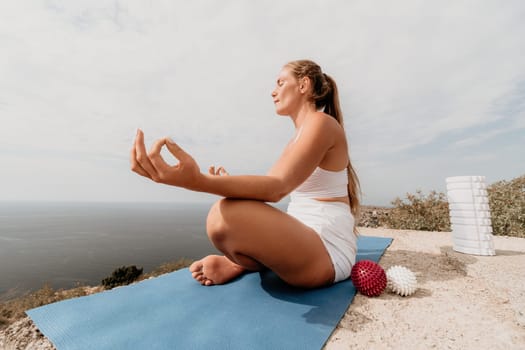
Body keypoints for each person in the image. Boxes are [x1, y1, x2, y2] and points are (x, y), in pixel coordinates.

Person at [130, 59, 360, 289]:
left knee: (223, 215)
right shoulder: (295, 140)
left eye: (280, 83)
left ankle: (242, 264)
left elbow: (276, 188)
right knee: (225, 212)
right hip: (301, 237)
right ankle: (245, 263)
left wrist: (196, 180)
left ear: (303, 85)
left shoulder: (321, 123)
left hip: (327, 249)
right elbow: (267, 187)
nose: (273, 91)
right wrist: (227, 182)